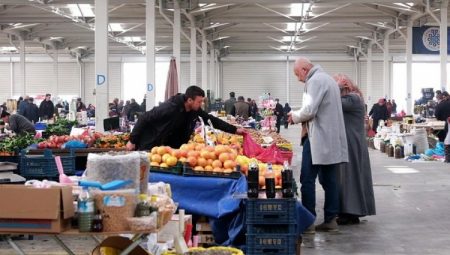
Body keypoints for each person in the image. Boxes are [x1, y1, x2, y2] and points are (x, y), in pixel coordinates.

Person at [288, 57, 348, 233]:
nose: (299, 79)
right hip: (329, 139)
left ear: (305, 70)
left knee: (307, 178)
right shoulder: (328, 79)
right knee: (330, 180)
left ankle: (308, 222)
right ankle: (331, 219)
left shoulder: (315, 81)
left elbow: (309, 110)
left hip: (317, 139)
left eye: (298, 74)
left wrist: (294, 116)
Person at [127, 86, 246, 151]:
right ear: (189, 100)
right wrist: (132, 140)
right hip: (150, 145)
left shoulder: (194, 110)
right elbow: (144, 118)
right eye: (199, 102)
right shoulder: (170, 107)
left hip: (171, 148)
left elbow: (211, 120)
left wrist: (235, 130)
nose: (201, 104)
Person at [333, 74, 376, 225]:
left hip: (352, 142)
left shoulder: (352, 99)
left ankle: (351, 212)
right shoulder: (353, 98)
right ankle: (350, 211)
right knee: (350, 177)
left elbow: (332, 100)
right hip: (351, 141)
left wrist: (336, 86)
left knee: (350, 177)